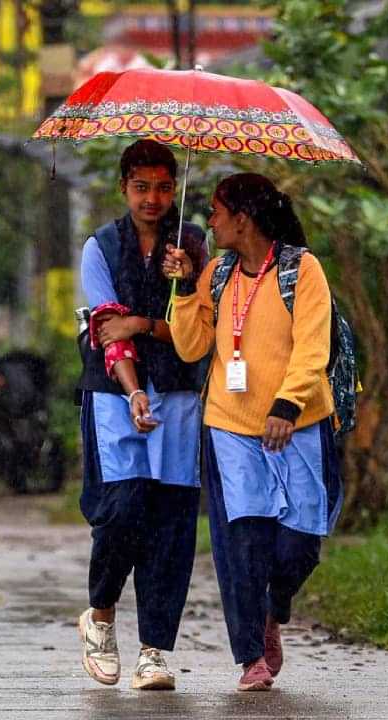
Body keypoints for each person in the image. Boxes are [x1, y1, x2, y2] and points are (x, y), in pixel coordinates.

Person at [164, 173, 341, 692]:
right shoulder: (216, 273)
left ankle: (274, 608)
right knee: (241, 542)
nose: (210, 221)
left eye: (218, 212)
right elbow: (192, 347)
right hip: (230, 425)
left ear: (243, 219)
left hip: (298, 423)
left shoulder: (301, 270)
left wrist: (287, 405)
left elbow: (314, 347)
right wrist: (181, 288)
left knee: (300, 542)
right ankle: (250, 657)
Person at [75, 139, 207, 691]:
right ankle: (101, 615)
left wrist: (186, 284)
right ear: (124, 188)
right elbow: (109, 331)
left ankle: (155, 650)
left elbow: (200, 331)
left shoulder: (195, 247)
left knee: (172, 525)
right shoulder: (100, 248)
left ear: (174, 189)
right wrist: (133, 393)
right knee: (123, 508)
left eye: (161, 187)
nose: (152, 198)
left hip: (179, 396)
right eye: (140, 187)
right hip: (115, 394)